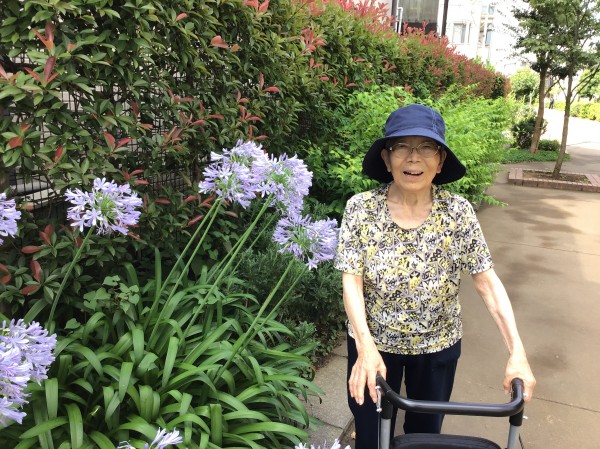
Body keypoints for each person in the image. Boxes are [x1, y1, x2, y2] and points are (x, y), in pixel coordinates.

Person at [334, 104, 536, 449]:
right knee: (370, 435)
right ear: (386, 158)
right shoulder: (361, 209)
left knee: (425, 436)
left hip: (437, 346)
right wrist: (365, 347)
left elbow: (487, 282)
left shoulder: (457, 212)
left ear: (440, 160)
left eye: (426, 147)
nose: (414, 157)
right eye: (401, 146)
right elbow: (351, 280)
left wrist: (517, 352)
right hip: (373, 344)